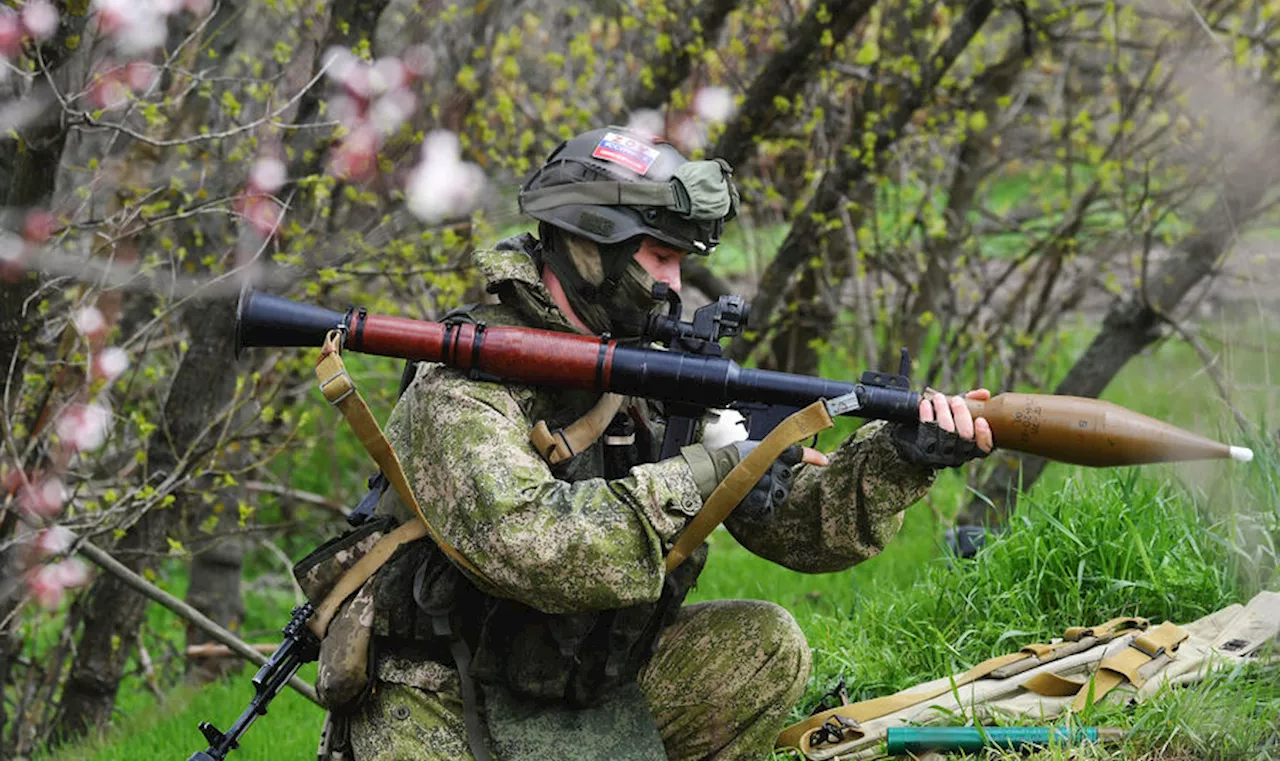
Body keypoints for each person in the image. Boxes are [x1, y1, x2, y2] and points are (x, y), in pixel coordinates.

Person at [315, 127, 993, 761]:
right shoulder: (465, 379)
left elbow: (795, 526)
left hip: (580, 685)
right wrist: (699, 472)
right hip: (437, 700)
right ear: (590, 244)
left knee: (766, 646)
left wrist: (898, 457)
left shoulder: (649, 366)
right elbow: (530, 547)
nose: (674, 282)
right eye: (660, 255)